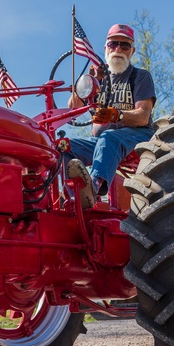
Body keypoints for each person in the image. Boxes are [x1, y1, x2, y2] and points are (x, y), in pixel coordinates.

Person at [65, 23, 157, 208]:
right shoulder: (99, 80)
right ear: (106, 48)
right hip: (101, 142)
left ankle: (94, 187)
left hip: (137, 137)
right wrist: (88, 83)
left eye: (125, 45)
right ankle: (72, 196)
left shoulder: (139, 77)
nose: (118, 49)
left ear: (132, 51)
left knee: (109, 137)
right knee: (63, 147)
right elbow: (72, 107)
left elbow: (142, 117)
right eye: (113, 44)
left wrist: (115, 115)